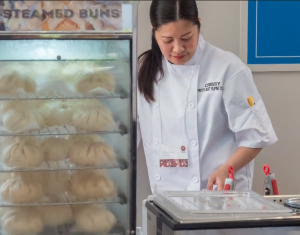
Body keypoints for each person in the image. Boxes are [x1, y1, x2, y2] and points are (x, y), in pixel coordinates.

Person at [136, 0, 278, 193]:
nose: (178, 48)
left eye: (187, 38)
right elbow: (127, 137)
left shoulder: (228, 68)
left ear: (199, 25)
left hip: (221, 197)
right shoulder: (143, 71)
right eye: (167, 40)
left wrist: (225, 170)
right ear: (153, 31)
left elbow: (256, 136)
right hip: (167, 200)